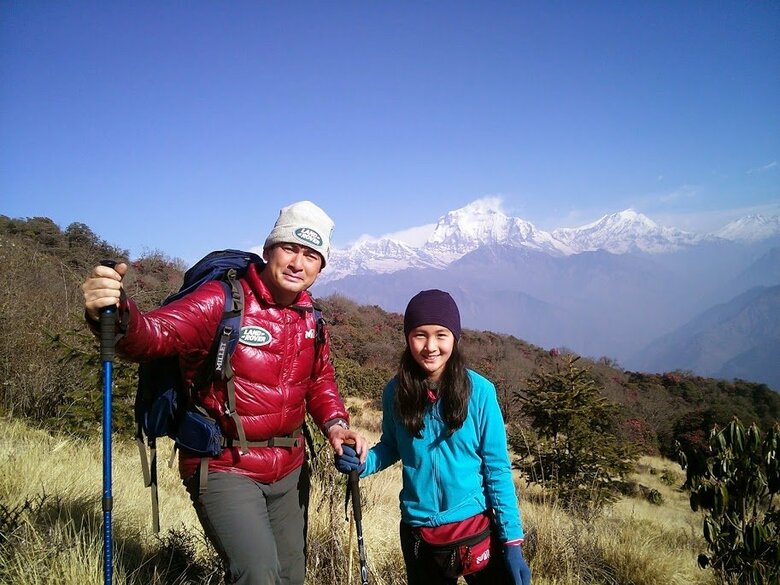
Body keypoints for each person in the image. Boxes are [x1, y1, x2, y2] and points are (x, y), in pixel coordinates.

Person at [82, 200, 367, 585]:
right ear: (268, 251)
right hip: (224, 463)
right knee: (257, 576)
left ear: (322, 266)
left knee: (291, 577)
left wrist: (335, 424)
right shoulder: (221, 301)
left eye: (312, 255)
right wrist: (117, 312)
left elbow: (319, 378)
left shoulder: (310, 317)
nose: (299, 263)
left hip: (289, 467)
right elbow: (154, 336)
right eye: (290, 249)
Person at [335, 289, 531, 585]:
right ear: (407, 338)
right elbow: (391, 446)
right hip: (419, 535)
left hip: (474, 528)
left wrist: (512, 542)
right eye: (419, 335)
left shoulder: (480, 392)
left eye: (441, 334)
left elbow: (497, 471)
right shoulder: (395, 392)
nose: (430, 346)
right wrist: (363, 463)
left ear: (455, 338)